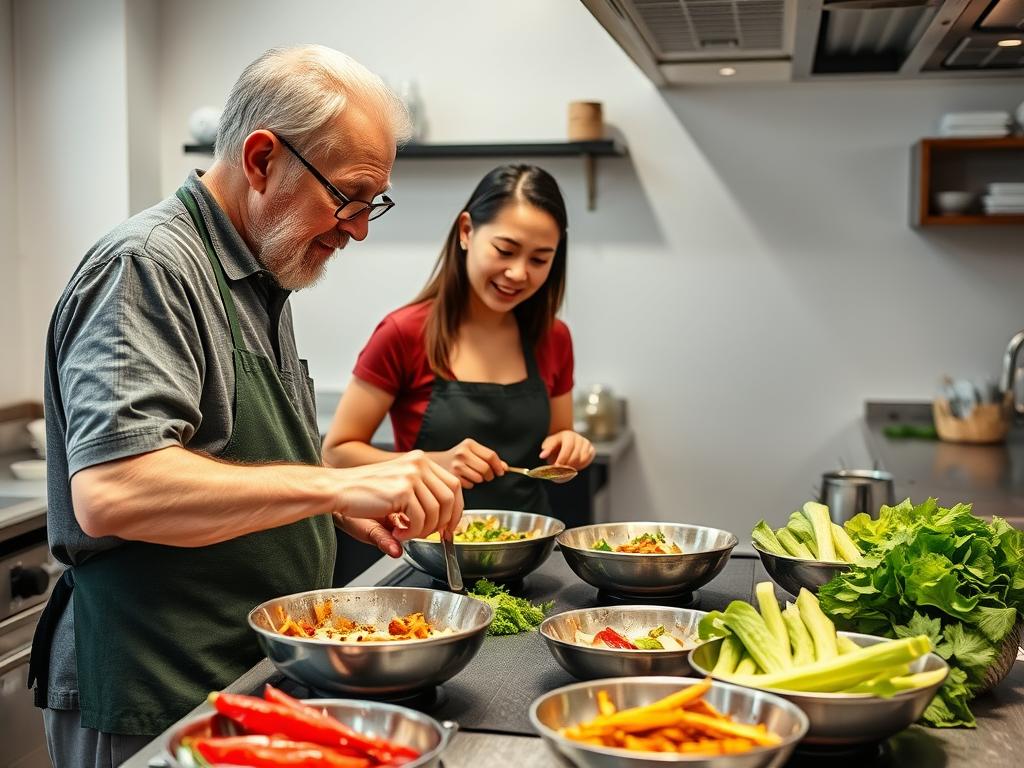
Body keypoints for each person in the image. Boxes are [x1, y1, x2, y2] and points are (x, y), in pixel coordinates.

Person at [29, 45, 463, 767]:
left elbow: (230, 459)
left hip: (240, 675)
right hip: (155, 687)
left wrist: (332, 506)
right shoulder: (147, 266)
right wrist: (333, 487)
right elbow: (115, 490)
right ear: (262, 159)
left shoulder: (262, 273)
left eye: (373, 204)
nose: (358, 227)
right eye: (350, 196)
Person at [322, 165, 594, 517]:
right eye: (505, 250)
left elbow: (557, 444)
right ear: (466, 231)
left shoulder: (554, 337)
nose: (518, 273)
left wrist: (570, 445)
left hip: (529, 540)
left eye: (540, 259)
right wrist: (433, 463)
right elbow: (338, 453)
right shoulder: (403, 333)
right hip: (431, 540)